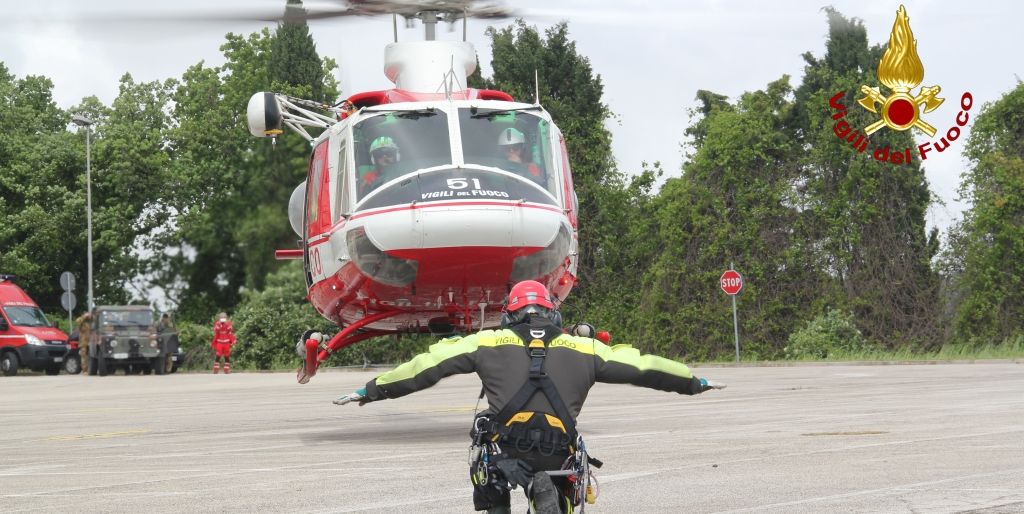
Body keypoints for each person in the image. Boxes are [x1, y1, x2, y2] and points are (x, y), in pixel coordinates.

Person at [333, 280, 726, 514]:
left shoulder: (487, 340)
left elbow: (426, 367)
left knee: (485, 457)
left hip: (505, 451)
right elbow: (646, 366)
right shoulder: (585, 347)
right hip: (558, 452)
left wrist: (371, 391)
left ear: (509, 315)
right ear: (552, 313)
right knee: (565, 483)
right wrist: (694, 381)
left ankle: (496, 502)